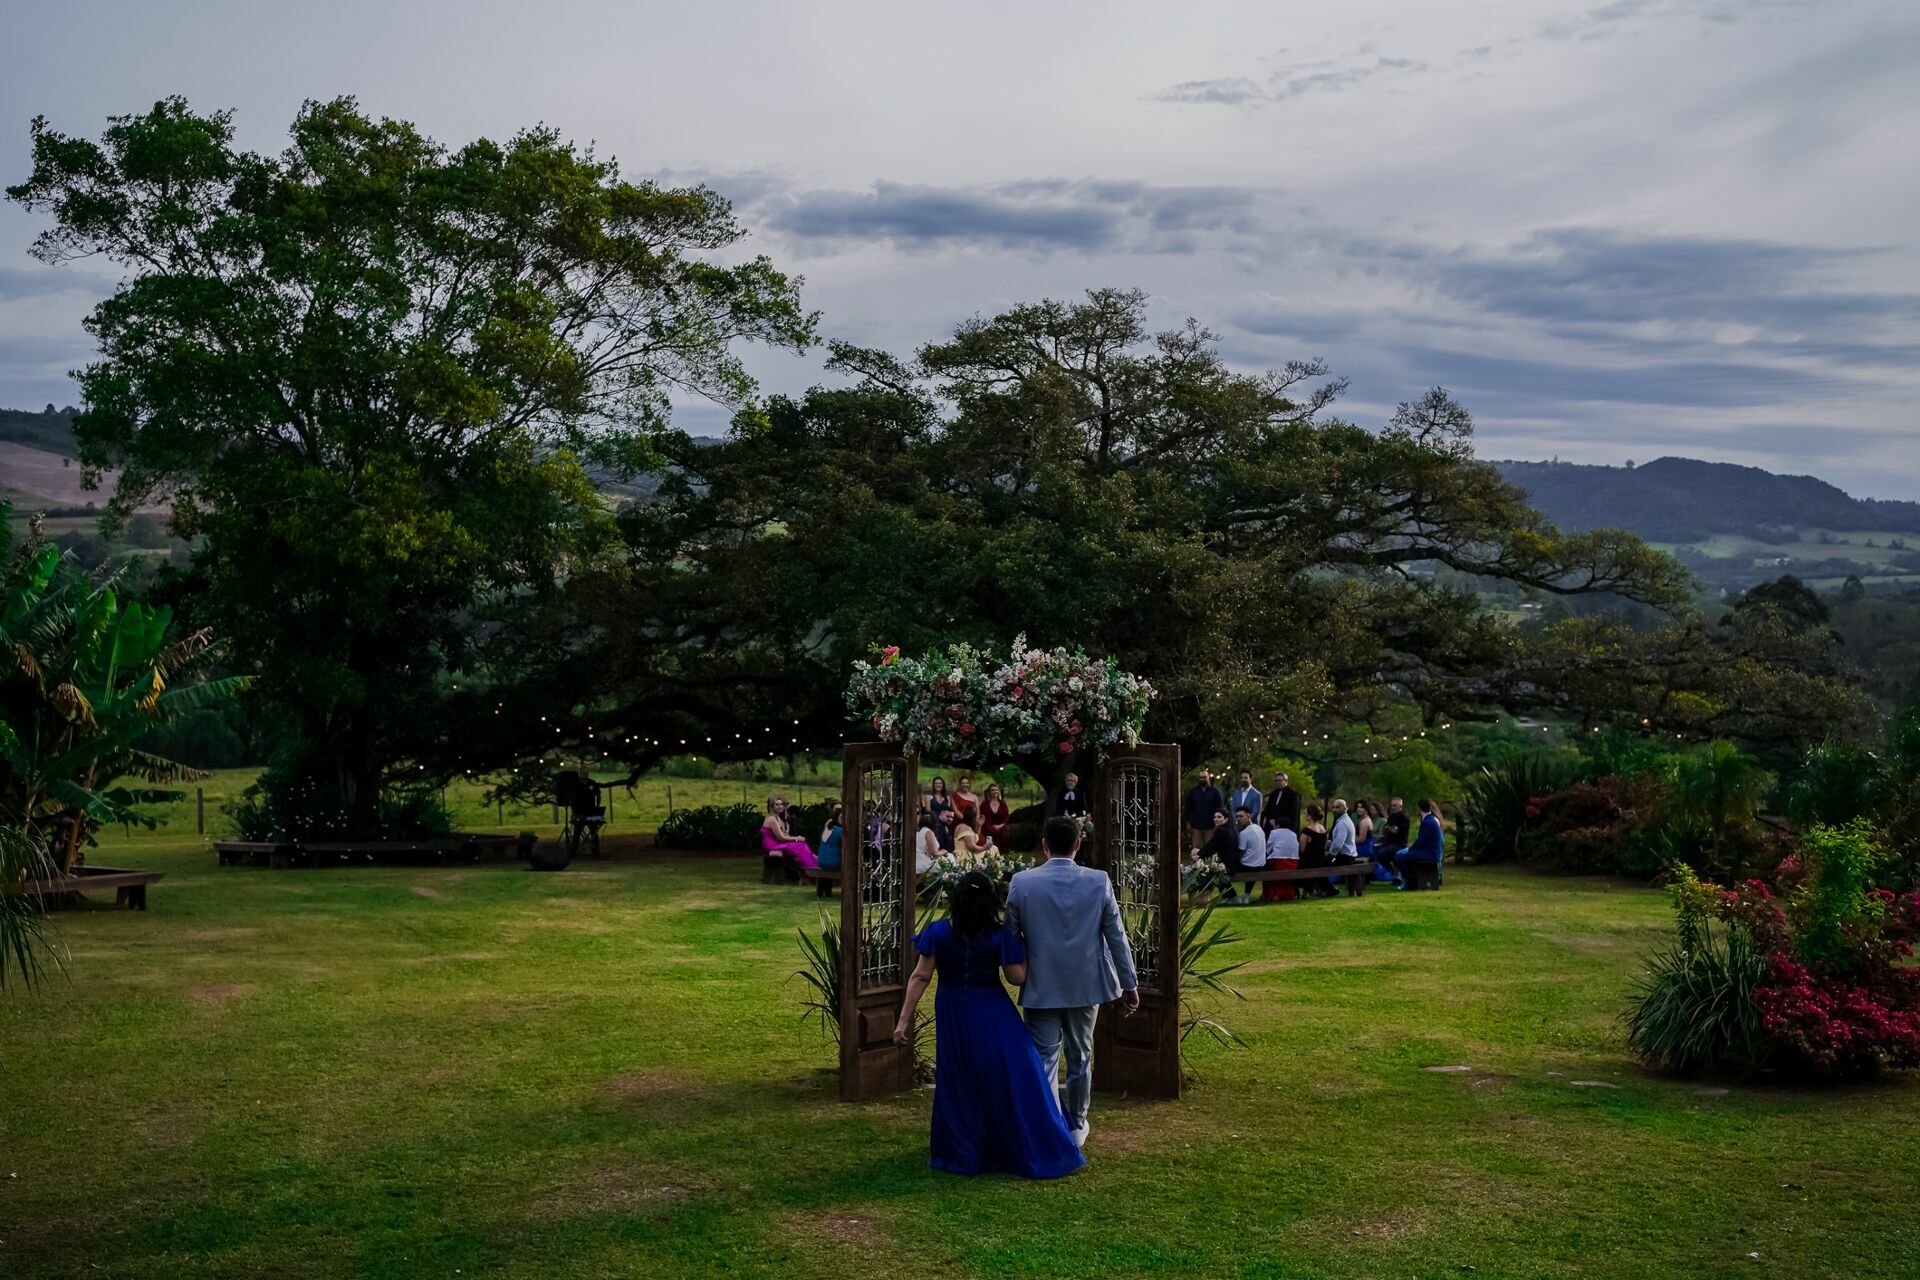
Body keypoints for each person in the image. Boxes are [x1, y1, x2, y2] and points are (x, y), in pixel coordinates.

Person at [894, 871, 1085, 1179]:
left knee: (960, 1077)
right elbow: (1016, 977)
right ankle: (1026, 1140)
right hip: (993, 1011)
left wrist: (903, 1022)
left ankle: (964, 1148)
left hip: (954, 1010)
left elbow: (920, 977)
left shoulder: (938, 933)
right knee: (1016, 1072)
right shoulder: (1000, 936)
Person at [1006, 817, 1140, 1149]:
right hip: (1086, 984)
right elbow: (1116, 936)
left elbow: (1010, 937)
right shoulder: (1098, 881)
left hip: (1041, 983)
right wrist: (1129, 983)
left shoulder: (1022, 883)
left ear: (1044, 844)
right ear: (1078, 844)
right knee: (1080, 1055)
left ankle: (1047, 1123)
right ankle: (1077, 1123)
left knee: (1043, 1059)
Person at [762, 797, 819, 872]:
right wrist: (796, 839)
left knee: (801, 844)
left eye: (781, 804)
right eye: (777, 805)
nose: (780, 806)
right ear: (772, 806)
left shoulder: (777, 818)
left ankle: (811, 865)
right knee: (799, 845)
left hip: (778, 843)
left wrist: (796, 838)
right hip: (772, 845)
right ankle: (811, 868)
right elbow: (780, 837)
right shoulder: (771, 819)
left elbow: (784, 834)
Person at [1224, 806, 1266, 905]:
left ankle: (1232, 896)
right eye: (1237, 817)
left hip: (1249, 867)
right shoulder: (1258, 828)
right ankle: (1246, 895)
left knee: (1221, 870)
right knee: (1250, 862)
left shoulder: (1244, 833)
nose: (1238, 819)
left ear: (1248, 815)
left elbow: (1239, 853)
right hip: (1261, 866)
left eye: (1241, 816)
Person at [1401, 798, 1445, 890]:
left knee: (1401, 856)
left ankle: (1411, 882)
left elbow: (1422, 841)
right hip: (1430, 851)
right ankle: (1412, 881)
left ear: (1419, 808)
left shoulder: (1429, 821)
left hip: (1431, 853)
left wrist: (1410, 849)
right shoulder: (1430, 819)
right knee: (1405, 855)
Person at [1297, 804, 1333, 898]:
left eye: (1306, 814)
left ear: (1309, 816)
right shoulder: (1322, 828)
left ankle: (1306, 890)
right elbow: (1324, 845)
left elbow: (1302, 849)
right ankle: (1311, 890)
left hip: (1309, 862)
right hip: (1321, 860)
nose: (1305, 816)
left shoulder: (1306, 831)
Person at [1262, 821, 1300, 902]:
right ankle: (1288, 894)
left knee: (1266, 872)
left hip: (1279, 861)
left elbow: (1269, 848)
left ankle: (1272, 894)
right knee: (1286, 880)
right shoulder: (1293, 834)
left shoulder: (1274, 832)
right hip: (1293, 862)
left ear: (1278, 825)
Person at [1380, 797, 1411, 884]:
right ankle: (1391, 874)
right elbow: (1388, 828)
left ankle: (1394, 875)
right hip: (1388, 843)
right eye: (1392, 805)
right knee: (1375, 851)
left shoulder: (1404, 819)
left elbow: (1394, 831)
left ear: (1400, 807)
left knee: (1381, 853)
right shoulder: (1391, 817)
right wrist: (1390, 828)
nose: (1392, 807)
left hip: (1399, 844)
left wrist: (1389, 828)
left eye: (1395, 806)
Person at [1184, 769, 1225, 838]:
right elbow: (1188, 808)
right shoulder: (1193, 792)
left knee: (1210, 848)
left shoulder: (1215, 792)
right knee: (1196, 848)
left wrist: (1218, 824)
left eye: (1204, 777)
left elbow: (1220, 809)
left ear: (1208, 778)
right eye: (1201, 777)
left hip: (1211, 827)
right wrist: (1188, 822)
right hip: (1196, 826)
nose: (1202, 779)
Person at [1264, 770, 1302, 836]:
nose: (1277, 782)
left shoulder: (1292, 794)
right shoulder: (1273, 794)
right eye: (1276, 781)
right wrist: (1270, 820)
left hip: (1285, 827)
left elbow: (1293, 812)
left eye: (1279, 780)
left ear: (1286, 781)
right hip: (1271, 827)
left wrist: (1277, 821)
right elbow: (1268, 809)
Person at [815, 814, 843, 897]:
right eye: (841, 817)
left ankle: (825, 892)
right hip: (834, 863)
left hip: (822, 861)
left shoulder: (827, 829)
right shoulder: (841, 831)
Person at [978, 782, 1013, 847]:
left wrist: (1001, 825)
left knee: (1002, 845)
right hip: (988, 830)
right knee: (989, 847)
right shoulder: (984, 804)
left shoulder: (1002, 803)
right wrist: (992, 828)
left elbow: (1006, 816)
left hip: (1001, 829)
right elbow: (983, 818)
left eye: (996, 790)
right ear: (989, 792)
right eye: (993, 790)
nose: (995, 791)